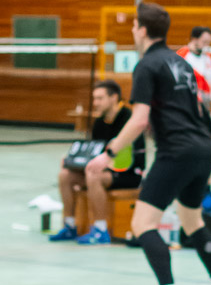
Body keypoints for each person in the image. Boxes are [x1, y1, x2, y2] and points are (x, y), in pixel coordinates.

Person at [87, 2, 211, 285]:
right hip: (204, 148)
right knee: (191, 219)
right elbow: (198, 110)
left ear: (141, 30)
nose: (132, 30)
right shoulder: (182, 63)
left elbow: (139, 120)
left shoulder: (146, 65)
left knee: (143, 224)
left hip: (176, 152)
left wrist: (108, 154)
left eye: (133, 25)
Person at [50, 79, 146, 246]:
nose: (95, 103)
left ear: (114, 98)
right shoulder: (99, 123)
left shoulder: (128, 120)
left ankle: (101, 230)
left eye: (100, 98)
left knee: (94, 176)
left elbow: (129, 159)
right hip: (104, 172)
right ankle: (70, 225)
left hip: (129, 174)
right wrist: (73, 161)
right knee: (65, 175)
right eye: (94, 98)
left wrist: (103, 162)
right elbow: (92, 152)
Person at [176, 26, 211, 112]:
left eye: (209, 42)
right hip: (186, 99)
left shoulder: (208, 57)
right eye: (204, 42)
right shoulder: (182, 55)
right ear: (194, 39)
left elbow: (209, 79)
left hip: (204, 100)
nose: (207, 45)